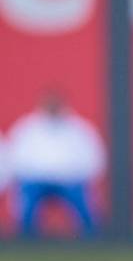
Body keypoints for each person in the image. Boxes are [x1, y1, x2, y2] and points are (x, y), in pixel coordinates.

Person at [6, 89, 105, 238]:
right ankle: (26, 238)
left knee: (84, 202)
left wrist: (82, 176)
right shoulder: (27, 128)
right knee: (26, 201)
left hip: (70, 181)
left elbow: (95, 156)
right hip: (35, 181)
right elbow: (14, 156)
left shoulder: (79, 128)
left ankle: (91, 238)